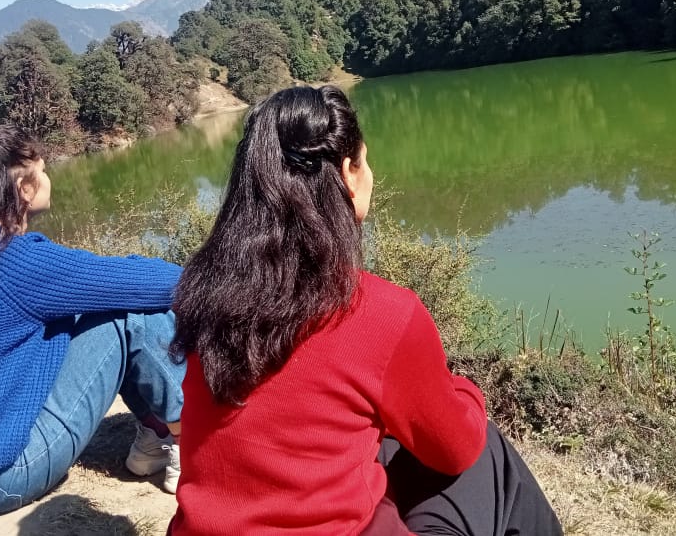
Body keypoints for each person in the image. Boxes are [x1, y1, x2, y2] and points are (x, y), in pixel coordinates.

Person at [169, 85, 562, 535]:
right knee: (487, 451)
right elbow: (455, 447)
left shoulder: (202, 297)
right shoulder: (377, 311)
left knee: (388, 453)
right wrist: (468, 392)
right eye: (364, 160)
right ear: (347, 173)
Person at [0, 124, 185, 515]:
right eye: (43, 170)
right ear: (23, 188)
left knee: (96, 303)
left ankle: (154, 439)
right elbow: (162, 284)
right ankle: (190, 439)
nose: (48, 178)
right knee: (129, 315)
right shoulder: (11, 261)